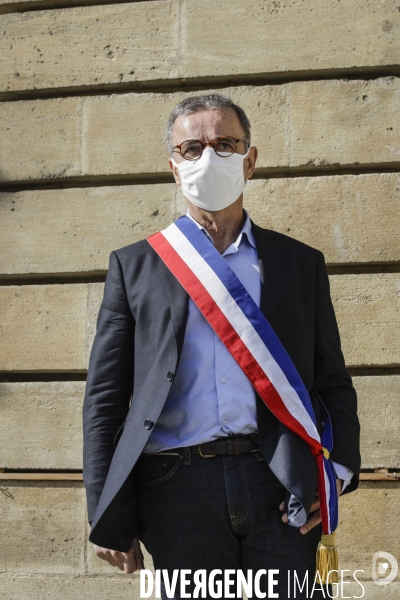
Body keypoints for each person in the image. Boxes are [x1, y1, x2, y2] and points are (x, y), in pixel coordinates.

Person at [83, 94, 360, 599]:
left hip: (279, 482)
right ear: (173, 167)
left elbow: (332, 379)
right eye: (192, 148)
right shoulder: (135, 266)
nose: (208, 157)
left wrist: (335, 474)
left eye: (225, 143)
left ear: (250, 161)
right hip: (175, 489)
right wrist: (104, 506)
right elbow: (105, 398)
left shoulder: (300, 263)